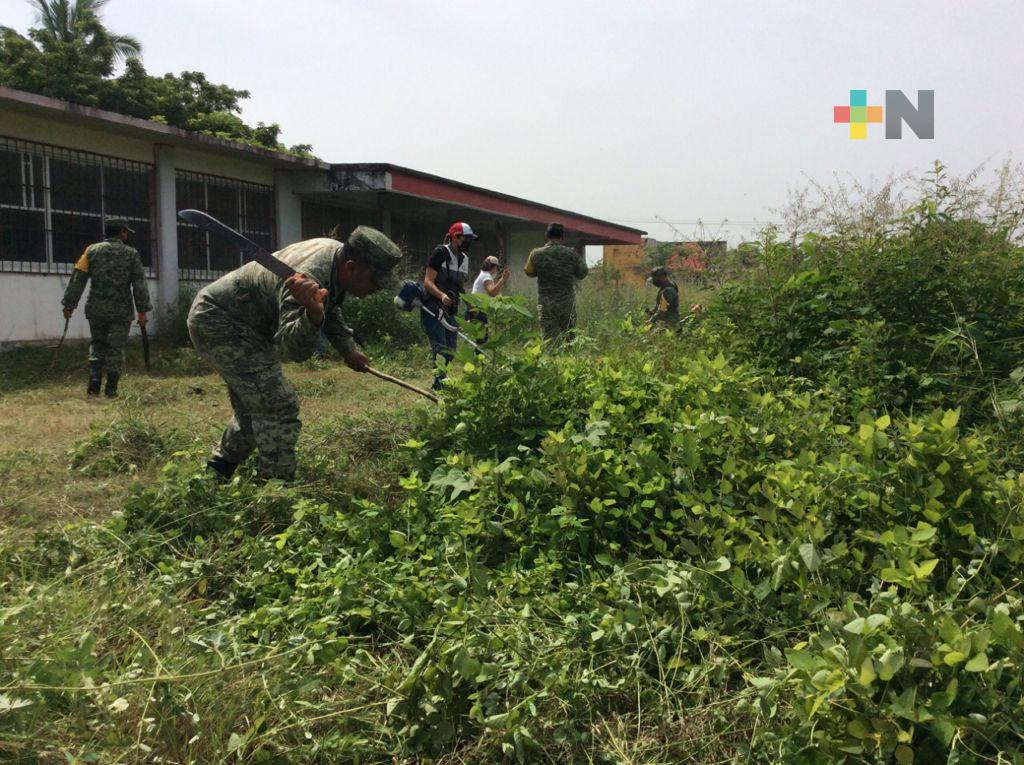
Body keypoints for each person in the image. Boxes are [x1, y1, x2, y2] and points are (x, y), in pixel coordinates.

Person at [187, 226, 402, 483]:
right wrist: (313, 314)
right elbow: (294, 349)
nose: (377, 289)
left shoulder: (337, 258)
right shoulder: (306, 279)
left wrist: (348, 349)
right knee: (277, 405)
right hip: (220, 320)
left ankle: (215, 475)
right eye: (376, 281)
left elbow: (329, 305)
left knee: (255, 407)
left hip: (248, 326)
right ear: (352, 267)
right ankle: (277, 490)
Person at [61, 217, 152, 397]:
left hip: (96, 309)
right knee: (115, 348)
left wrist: (69, 305)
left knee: (97, 345)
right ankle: (111, 389)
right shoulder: (131, 254)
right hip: (121, 312)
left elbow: (78, 279)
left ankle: (94, 384)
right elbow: (139, 284)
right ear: (122, 232)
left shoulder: (91, 251)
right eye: (126, 231)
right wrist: (142, 311)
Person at [421, 221, 474, 389]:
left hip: (451, 309)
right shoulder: (440, 253)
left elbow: (460, 287)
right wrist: (441, 295)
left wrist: (471, 304)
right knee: (441, 347)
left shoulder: (465, 259)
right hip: (433, 306)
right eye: (466, 239)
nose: (468, 243)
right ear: (455, 237)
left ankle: (441, 380)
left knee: (451, 349)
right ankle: (439, 385)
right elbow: (428, 282)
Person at [523, 222, 588, 341]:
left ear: (546, 235)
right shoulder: (571, 253)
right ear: (563, 237)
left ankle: (550, 358)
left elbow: (529, 272)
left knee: (548, 340)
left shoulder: (536, 253)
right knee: (569, 339)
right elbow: (582, 273)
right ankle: (570, 359)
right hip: (567, 303)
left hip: (546, 303)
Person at [465, 255, 511, 342]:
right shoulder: (486, 276)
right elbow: (492, 292)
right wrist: (503, 279)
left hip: (474, 310)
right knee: (481, 341)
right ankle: (479, 355)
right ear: (494, 267)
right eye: (497, 268)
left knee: (479, 339)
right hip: (477, 311)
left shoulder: (483, 275)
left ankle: (478, 355)